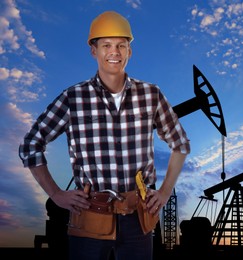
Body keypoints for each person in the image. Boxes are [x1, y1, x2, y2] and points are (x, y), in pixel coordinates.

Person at [19, 10, 190, 260]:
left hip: (138, 220)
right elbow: (31, 145)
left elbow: (181, 144)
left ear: (130, 51)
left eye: (121, 45)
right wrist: (55, 194)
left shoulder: (151, 95)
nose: (115, 52)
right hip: (89, 217)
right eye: (107, 45)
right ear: (94, 51)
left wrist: (163, 192)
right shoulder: (73, 98)